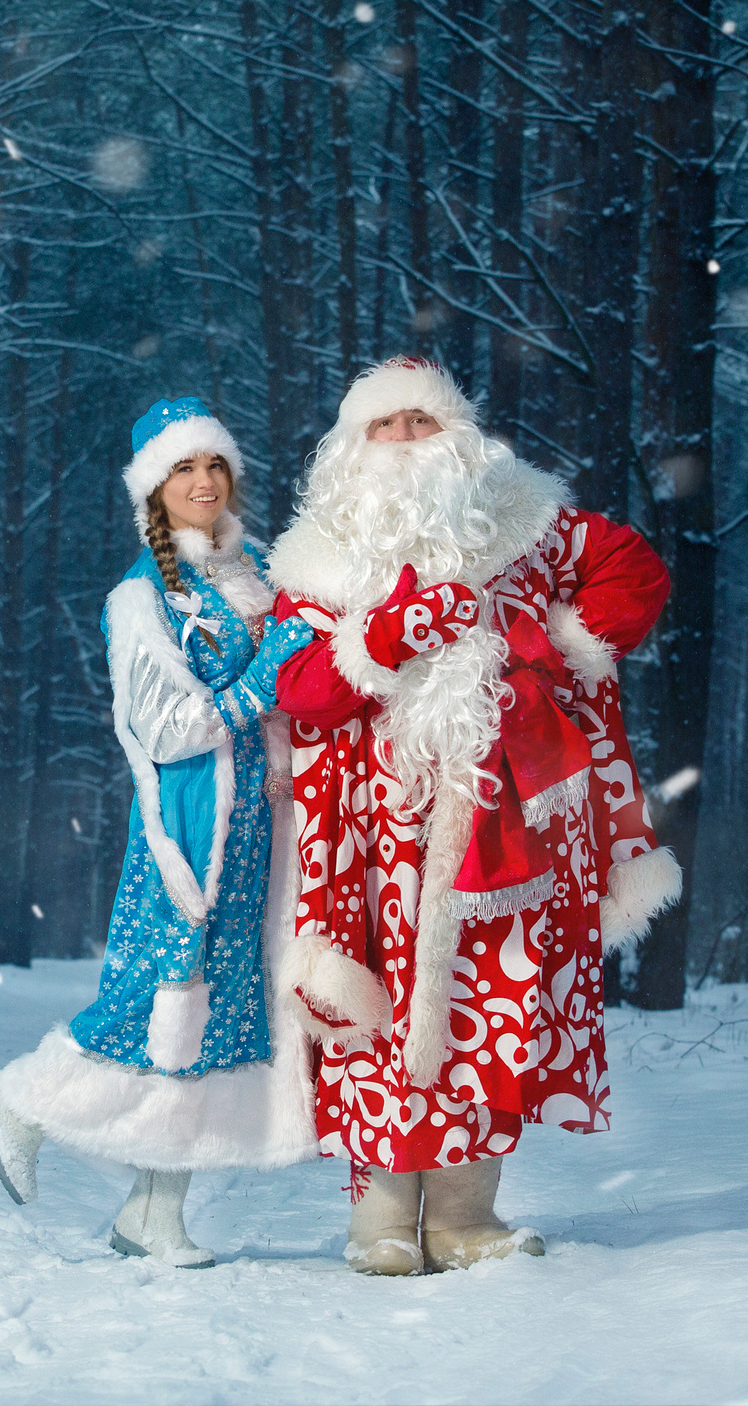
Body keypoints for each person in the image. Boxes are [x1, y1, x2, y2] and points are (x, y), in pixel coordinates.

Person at [264, 356, 679, 1275]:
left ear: (461, 436)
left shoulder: (527, 527)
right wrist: (382, 639)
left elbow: (633, 568)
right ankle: (380, 1214)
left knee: (496, 1007)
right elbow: (294, 686)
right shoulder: (317, 560)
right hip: (374, 836)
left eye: (424, 423)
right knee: (375, 1010)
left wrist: (561, 650)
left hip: (512, 820)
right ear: (352, 447)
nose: (407, 441)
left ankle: (463, 1216)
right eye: (387, 426)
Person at [0, 396, 318, 1266]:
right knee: (151, 1000)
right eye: (183, 469)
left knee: (213, 1022)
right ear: (153, 490)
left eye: (214, 465)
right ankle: (28, 1098)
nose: (204, 481)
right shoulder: (140, 597)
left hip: (261, 836)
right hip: (191, 838)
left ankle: (151, 1214)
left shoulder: (260, 571)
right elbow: (172, 730)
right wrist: (270, 673)